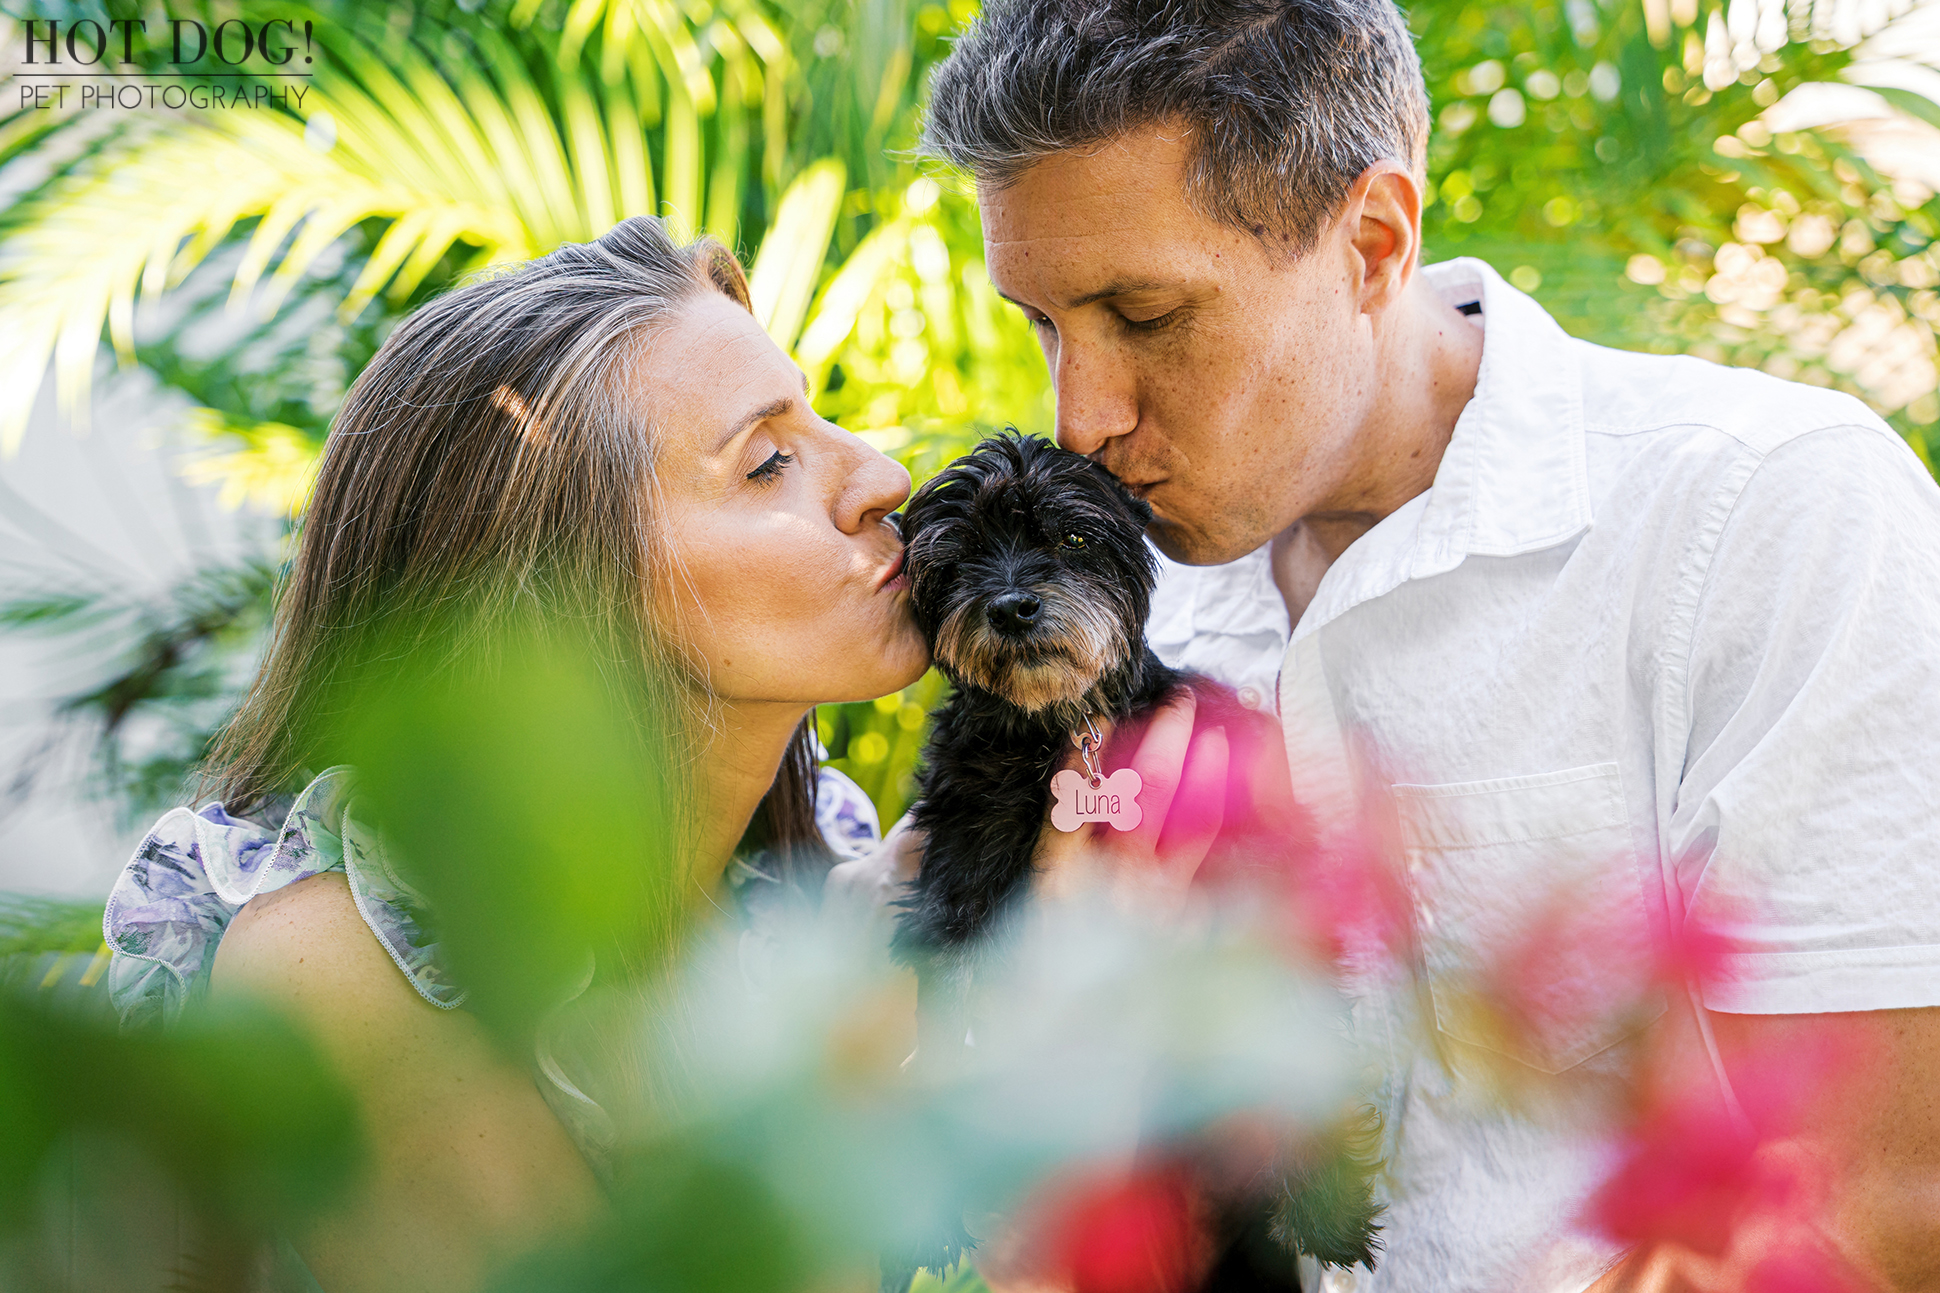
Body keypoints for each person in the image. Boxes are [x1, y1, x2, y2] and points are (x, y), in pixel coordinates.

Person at [916, 0, 1940, 1289]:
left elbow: (1873, 1220)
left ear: (1371, 242)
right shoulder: (1113, 618)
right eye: (1043, 323)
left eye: (1147, 314)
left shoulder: (1763, 520)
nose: (1081, 415)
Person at [100, 217, 1232, 1293]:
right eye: (765, 464)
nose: (882, 476)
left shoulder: (806, 894)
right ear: (563, 588)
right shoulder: (335, 965)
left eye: (818, 418)